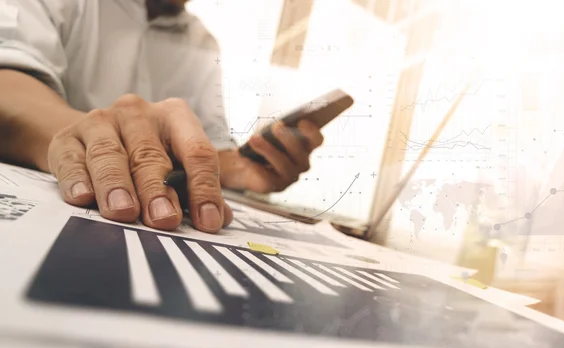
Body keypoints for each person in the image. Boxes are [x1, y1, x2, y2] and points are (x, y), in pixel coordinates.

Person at [0, 0, 323, 233]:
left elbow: (208, 147)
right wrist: (98, 142)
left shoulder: (202, 41)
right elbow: (8, 83)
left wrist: (239, 168)